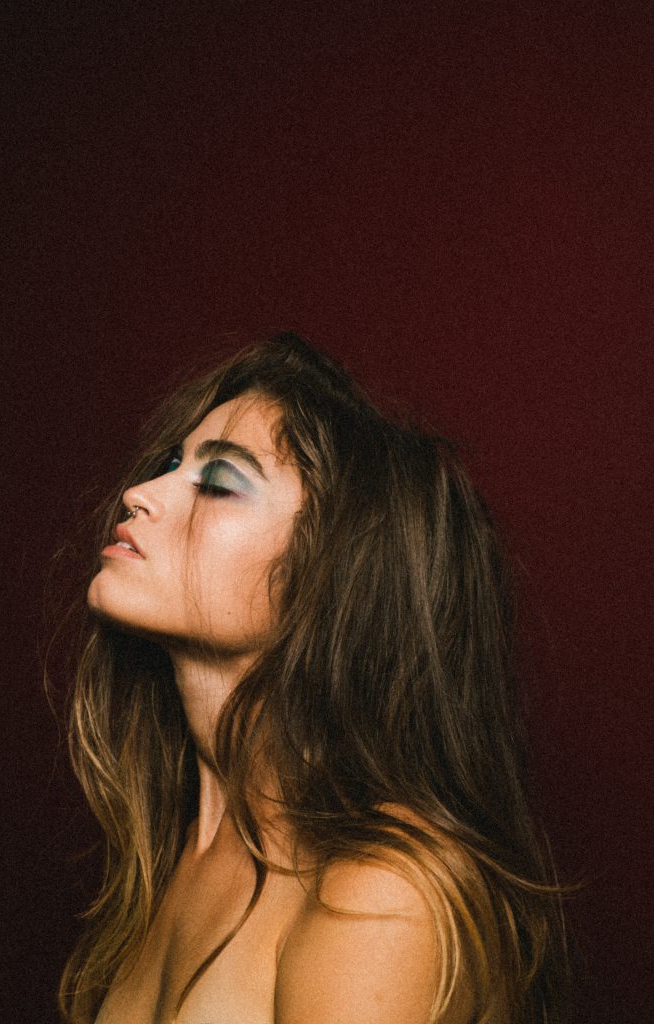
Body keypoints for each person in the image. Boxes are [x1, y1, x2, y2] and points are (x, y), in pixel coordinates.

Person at [59, 333, 568, 1024]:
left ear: (331, 578)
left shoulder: (378, 895)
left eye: (218, 482)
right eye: (172, 463)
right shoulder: (172, 855)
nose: (139, 493)